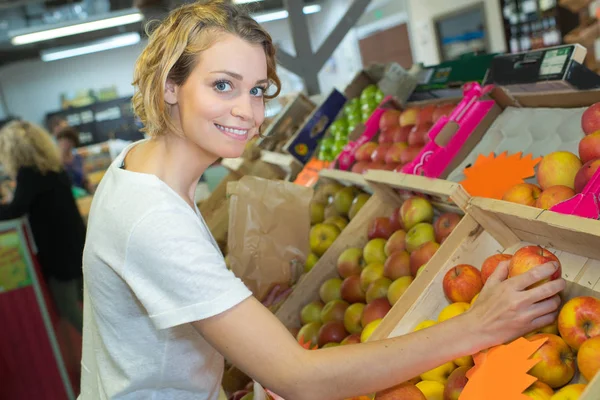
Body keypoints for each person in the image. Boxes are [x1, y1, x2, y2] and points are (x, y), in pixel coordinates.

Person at [79, 1, 566, 399]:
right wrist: (478, 326)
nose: (247, 112)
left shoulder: (137, 168)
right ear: (170, 86)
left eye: (258, 91)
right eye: (222, 85)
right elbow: (299, 377)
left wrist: (240, 323)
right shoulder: (154, 217)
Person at [0, 120, 86, 334]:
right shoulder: (52, 168)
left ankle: (103, 351)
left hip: (59, 256)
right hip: (76, 246)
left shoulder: (28, 174)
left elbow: (14, 211)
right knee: (86, 302)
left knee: (68, 309)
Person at [55, 126, 94, 194]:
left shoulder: (78, 159)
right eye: (62, 140)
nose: (65, 144)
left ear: (73, 143)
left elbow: (85, 180)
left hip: (82, 195)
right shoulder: (55, 161)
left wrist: (90, 188)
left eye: (68, 141)